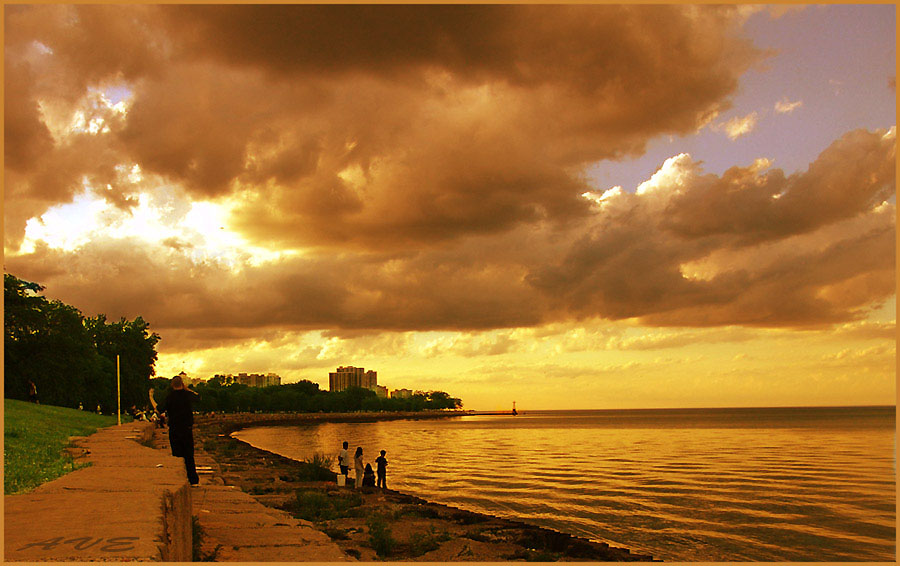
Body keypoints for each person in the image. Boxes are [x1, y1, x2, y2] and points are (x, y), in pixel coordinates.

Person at [159, 374, 200, 486]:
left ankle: (180, 478)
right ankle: (193, 480)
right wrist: (187, 389)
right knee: (189, 455)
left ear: (172, 385)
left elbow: (159, 409)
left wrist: (151, 397)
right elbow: (198, 397)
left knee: (177, 454)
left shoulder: (170, 397)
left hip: (174, 429)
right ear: (182, 383)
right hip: (186, 428)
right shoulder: (187, 395)